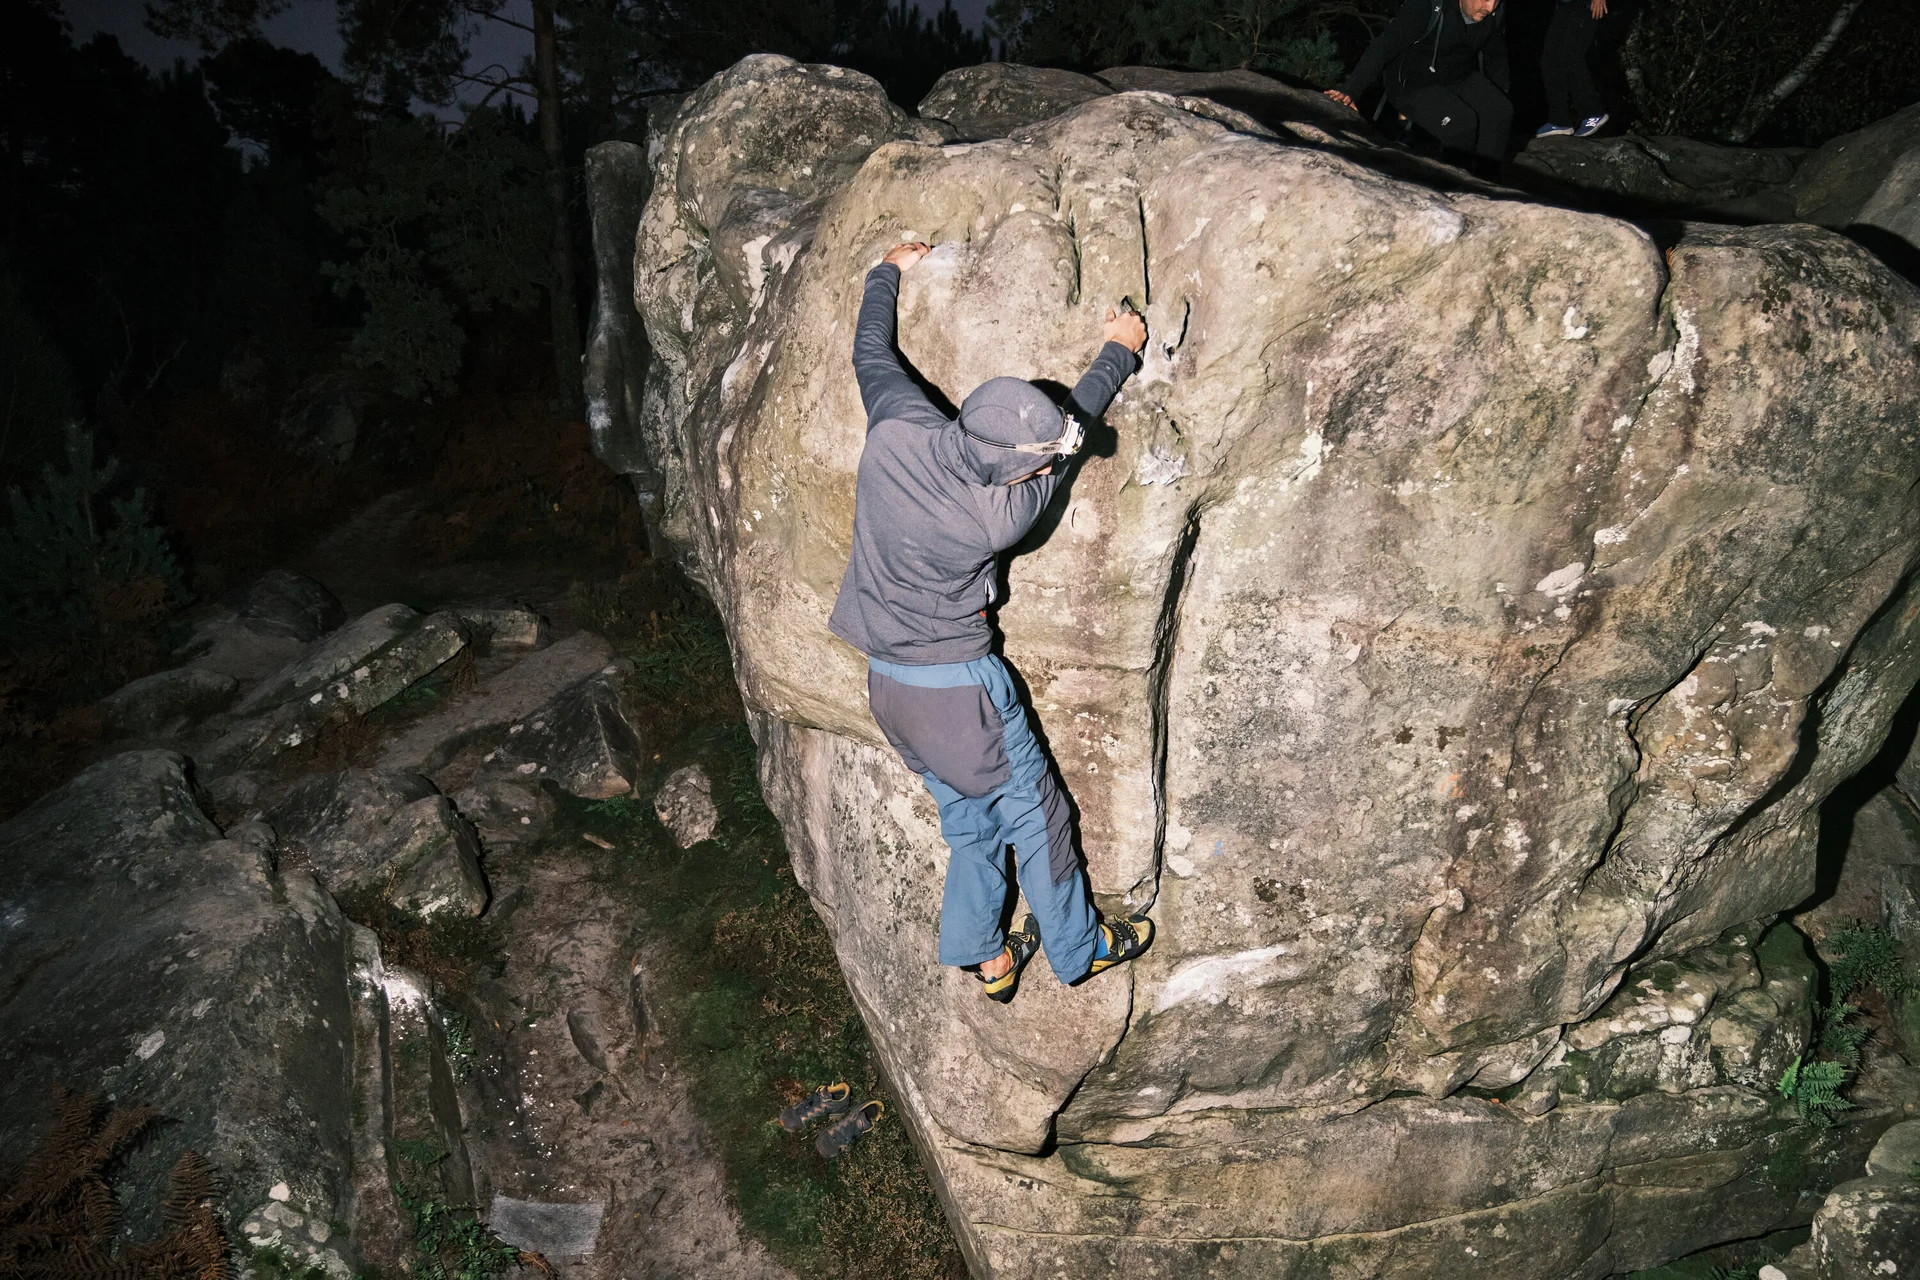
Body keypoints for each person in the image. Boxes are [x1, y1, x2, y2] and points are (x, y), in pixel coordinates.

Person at [828, 240, 1154, 1003]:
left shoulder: (899, 428)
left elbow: (871, 351)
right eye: (1036, 462)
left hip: (889, 685)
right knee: (1037, 815)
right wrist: (1120, 350)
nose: (1044, 468)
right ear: (1011, 469)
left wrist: (886, 269)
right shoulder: (1001, 515)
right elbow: (1078, 423)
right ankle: (1078, 948)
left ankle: (986, 956)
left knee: (970, 819)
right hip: (960, 692)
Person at [1323, 0, 1513, 174]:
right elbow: (1384, 46)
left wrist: (1499, 92)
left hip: (1457, 75)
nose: (1490, 7)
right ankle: (1455, 186)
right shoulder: (1426, 6)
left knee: (1500, 111)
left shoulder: (1495, 13)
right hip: (1413, 84)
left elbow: (1496, 55)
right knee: (1461, 123)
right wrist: (1352, 90)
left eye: (1496, 1)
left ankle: (1487, 182)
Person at [1536, 0, 1610, 137]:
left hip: (1586, 4)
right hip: (1565, 4)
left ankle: (1593, 112)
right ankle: (1559, 120)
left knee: (1570, 54)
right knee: (1550, 59)